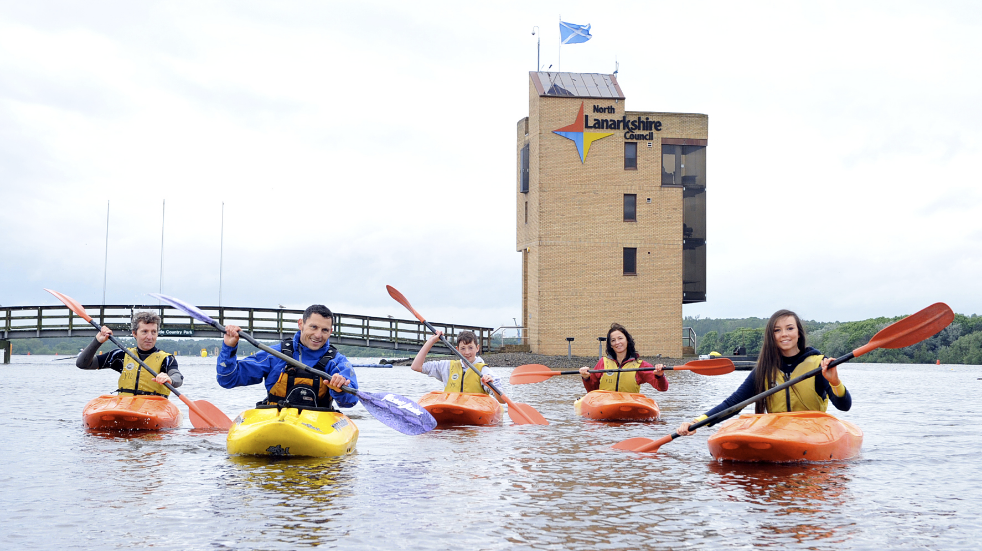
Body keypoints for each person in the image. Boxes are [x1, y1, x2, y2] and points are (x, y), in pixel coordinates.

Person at [677, 309, 852, 436]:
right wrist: (696, 422)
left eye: (790, 328)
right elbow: (733, 403)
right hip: (778, 432)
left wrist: (835, 382)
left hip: (813, 432)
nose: (784, 334)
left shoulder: (818, 363)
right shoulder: (764, 370)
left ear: (799, 333)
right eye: (777, 330)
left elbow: (844, 406)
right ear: (771, 336)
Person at [217, 304, 357, 410]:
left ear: (331, 331)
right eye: (313, 327)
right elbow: (228, 379)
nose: (318, 335)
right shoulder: (275, 355)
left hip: (318, 426)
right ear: (301, 324)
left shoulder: (337, 363)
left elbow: (350, 401)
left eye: (324, 330)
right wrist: (229, 347)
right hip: (276, 421)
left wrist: (339, 389)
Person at [76, 311, 183, 396]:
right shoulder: (121, 355)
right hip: (126, 406)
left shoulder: (167, 359)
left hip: (154, 409)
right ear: (134, 333)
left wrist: (169, 379)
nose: (150, 337)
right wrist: (97, 341)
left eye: (153, 332)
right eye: (145, 331)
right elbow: (83, 364)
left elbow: (177, 377)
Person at [411, 330, 503, 403]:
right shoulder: (447, 367)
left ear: (477, 348)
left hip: (475, 413)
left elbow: (502, 400)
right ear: (457, 349)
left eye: (470, 347)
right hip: (452, 410)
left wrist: (490, 385)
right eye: (463, 348)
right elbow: (416, 366)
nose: (467, 352)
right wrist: (431, 341)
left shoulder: (484, 371)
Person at [578, 323, 669, 393]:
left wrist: (660, 376)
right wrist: (586, 378)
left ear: (627, 340)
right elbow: (591, 391)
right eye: (613, 340)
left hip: (628, 406)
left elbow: (662, 388)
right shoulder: (603, 363)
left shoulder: (640, 365)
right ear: (610, 345)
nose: (617, 342)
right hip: (605, 404)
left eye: (620, 338)